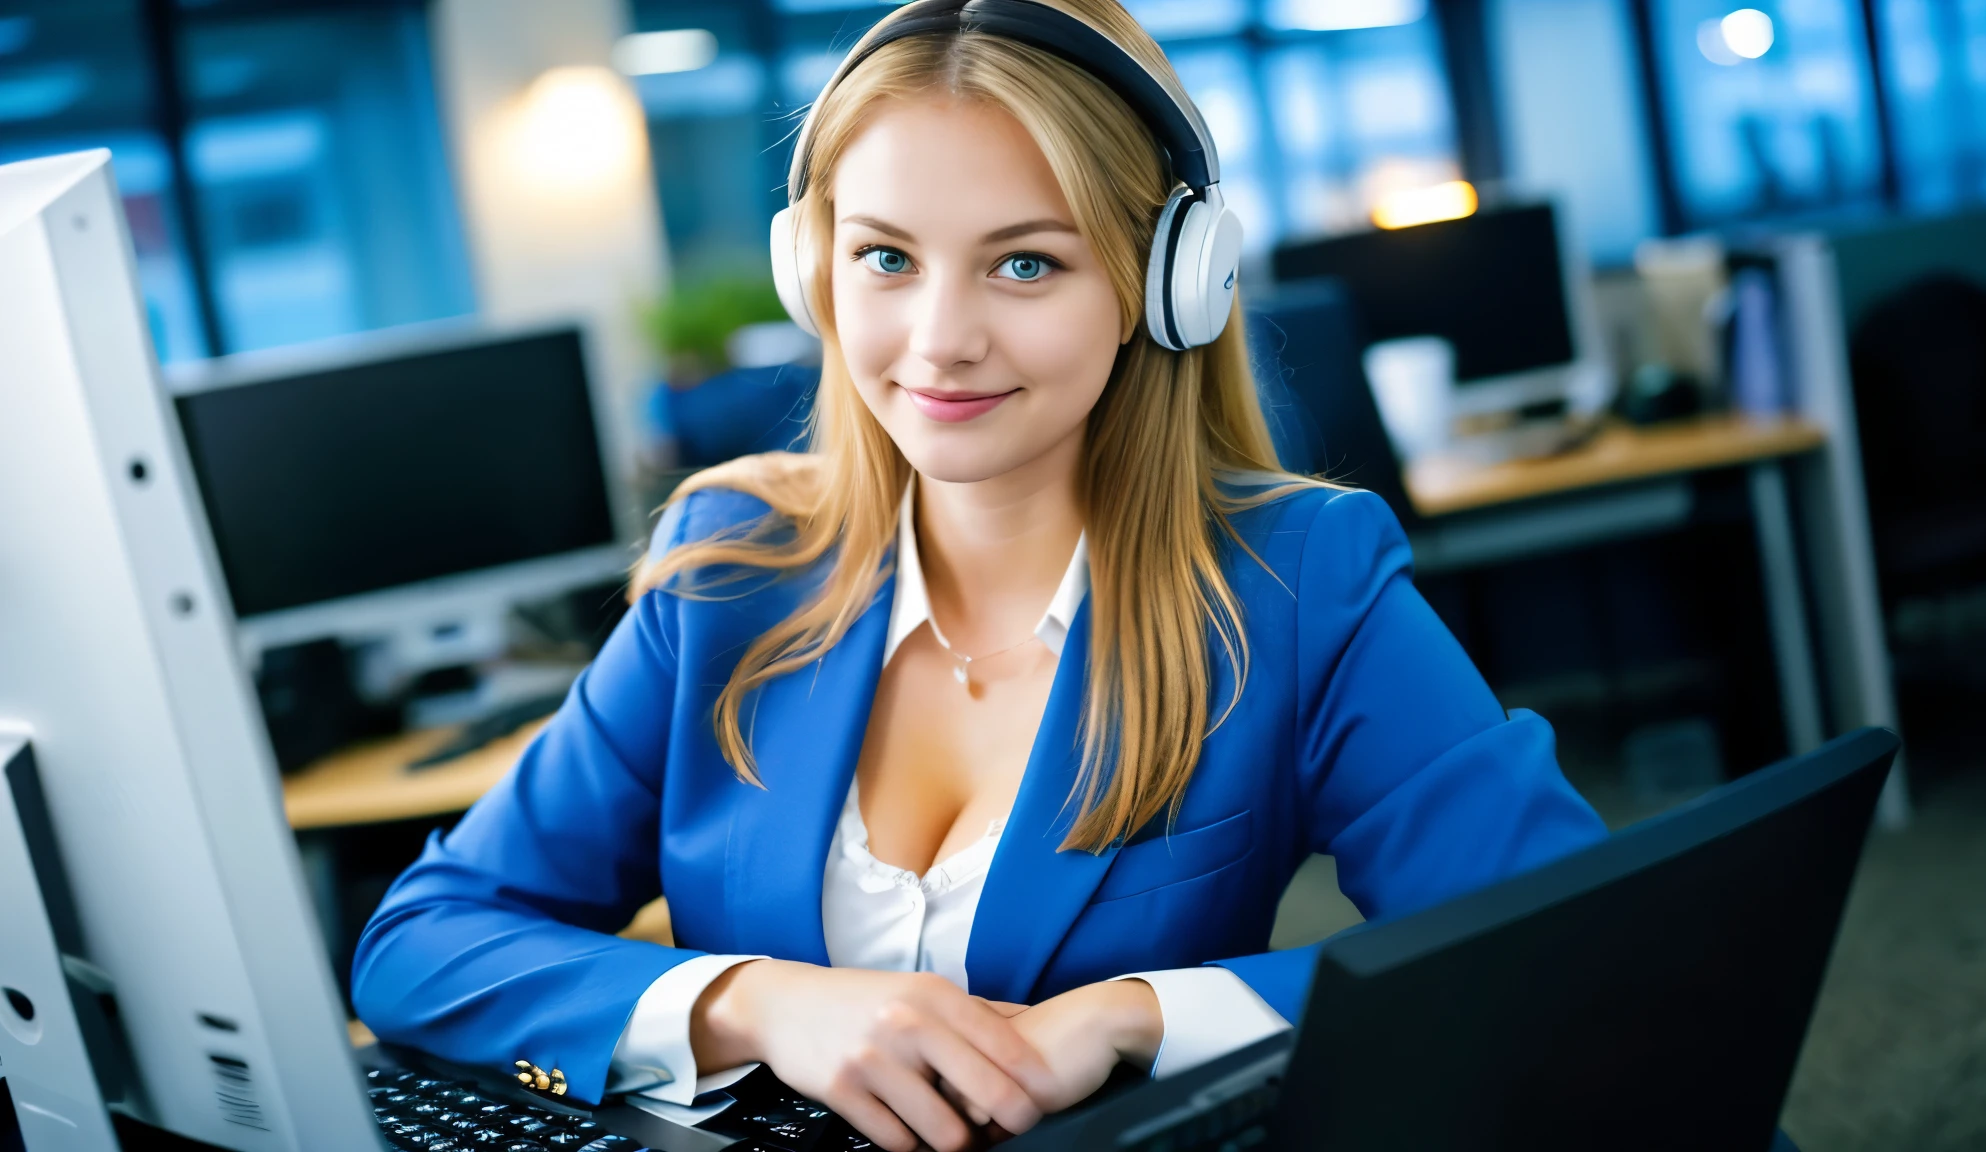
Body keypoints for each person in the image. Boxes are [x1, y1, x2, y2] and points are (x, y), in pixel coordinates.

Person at [351, 3, 1607, 1149]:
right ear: (814, 271)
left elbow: (1559, 941)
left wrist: (1141, 1015)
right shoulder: (728, 571)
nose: (939, 341)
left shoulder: (1293, 584)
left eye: (1024, 263)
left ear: (1166, 284)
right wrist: (753, 1002)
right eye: (886, 257)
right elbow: (422, 940)